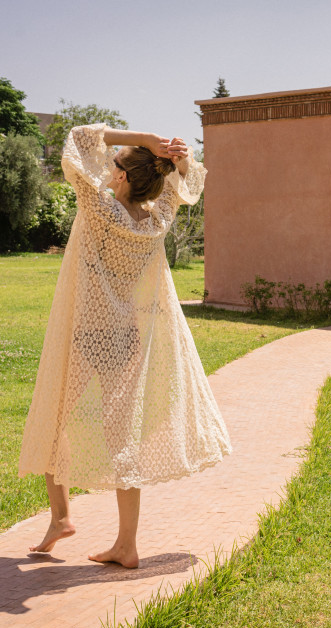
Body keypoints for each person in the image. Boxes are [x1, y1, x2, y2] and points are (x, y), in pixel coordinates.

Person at [18, 124, 231, 568]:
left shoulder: (98, 209)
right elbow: (188, 186)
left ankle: (61, 518)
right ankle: (126, 545)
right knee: (122, 438)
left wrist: (150, 141)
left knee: (51, 422)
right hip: (126, 339)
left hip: (88, 335)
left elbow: (78, 138)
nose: (108, 166)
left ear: (121, 177)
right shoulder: (157, 221)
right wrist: (180, 159)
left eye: (115, 164)